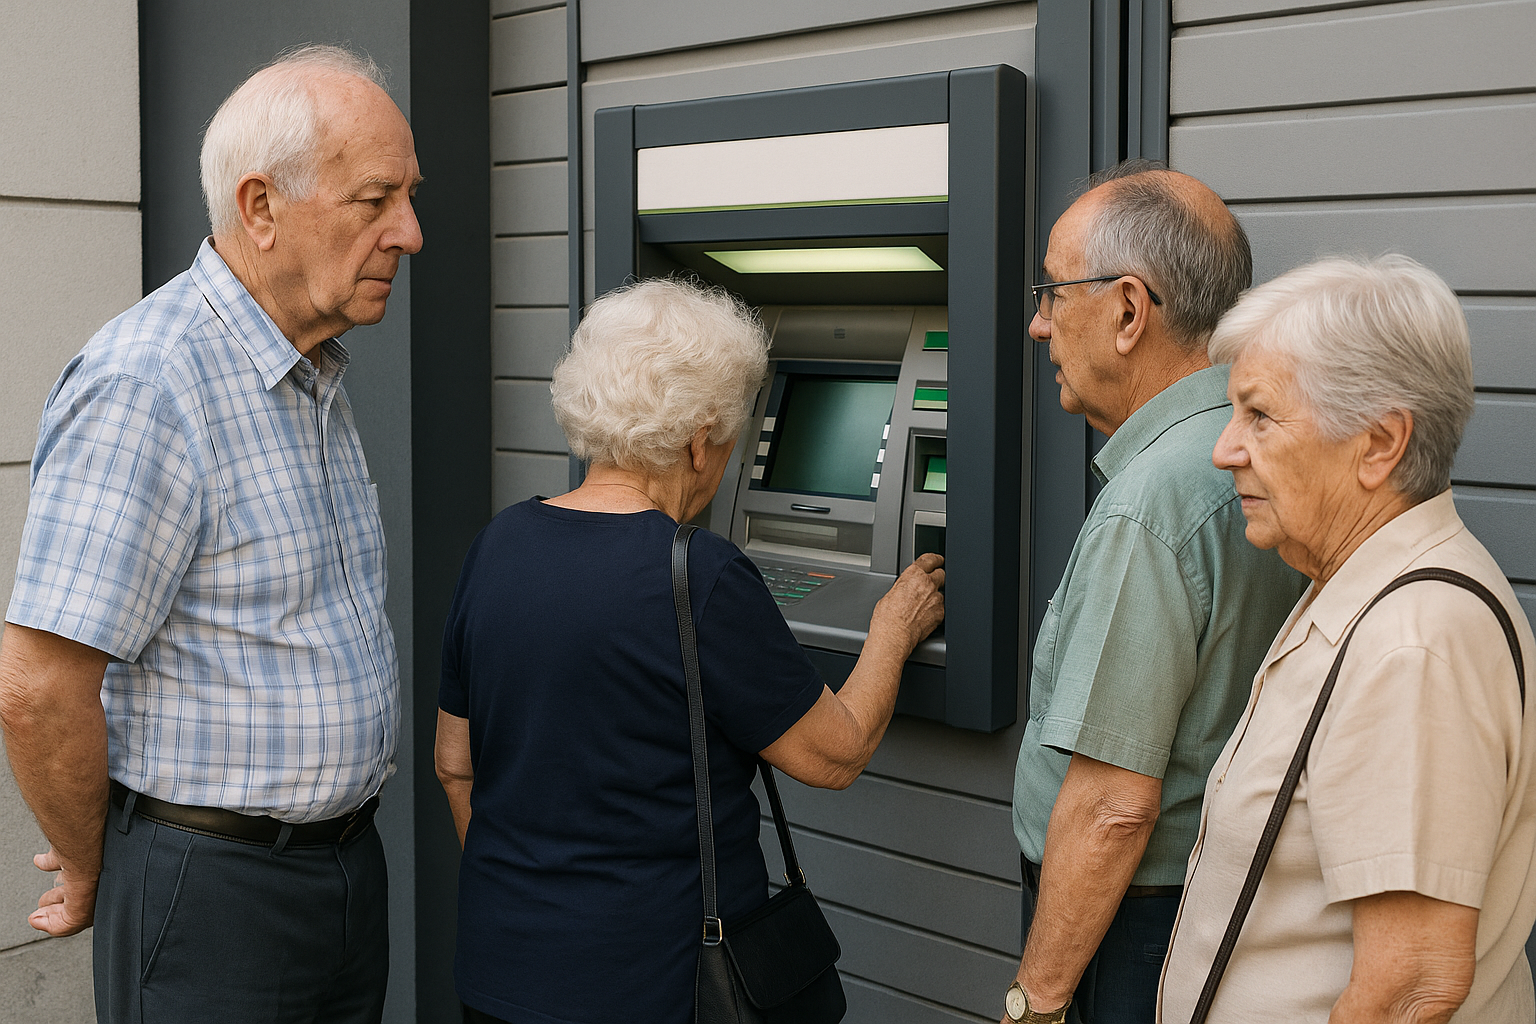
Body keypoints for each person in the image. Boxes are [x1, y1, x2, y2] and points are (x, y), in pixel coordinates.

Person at [0, 45, 421, 1023]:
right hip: (213, 891)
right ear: (261, 208)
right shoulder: (151, 383)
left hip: (345, 870)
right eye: (375, 199)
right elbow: (38, 685)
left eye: (408, 195)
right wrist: (101, 863)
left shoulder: (312, 377)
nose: (410, 231)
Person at [434, 277, 945, 1024]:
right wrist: (893, 630)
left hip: (502, 982)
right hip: (663, 991)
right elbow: (834, 755)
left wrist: (542, 919)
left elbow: (455, 766)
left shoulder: (498, 546)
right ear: (700, 439)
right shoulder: (698, 574)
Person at [1158, 255, 1536, 1023]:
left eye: (1259, 415)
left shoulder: (1413, 641)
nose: (1224, 450)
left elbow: (1411, 988)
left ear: (1379, 444)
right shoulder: (1356, 582)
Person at [1003, 161, 1307, 1024]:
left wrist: (1039, 999)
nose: (1038, 325)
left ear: (1129, 311)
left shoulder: (1151, 502)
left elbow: (1112, 804)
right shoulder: (1255, 450)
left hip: (1128, 920)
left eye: (1054, 295)